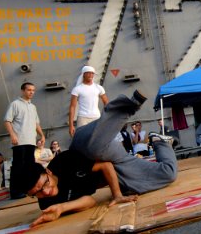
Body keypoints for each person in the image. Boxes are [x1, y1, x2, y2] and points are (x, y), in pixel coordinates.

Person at [21, 90, 177, 227]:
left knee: (93, 148)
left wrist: (117, 196)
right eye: (38, 193)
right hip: (109, 158)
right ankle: (160, 142)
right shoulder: (46, 203)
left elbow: (105, 165)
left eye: (44, 185)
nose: (46, 192)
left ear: (47, 171)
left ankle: (129, 106)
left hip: (85, 145)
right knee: (167, 175)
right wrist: (61, 208)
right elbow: (89, 201)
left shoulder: (65, 163)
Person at [4, 82, 46, 199]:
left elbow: (36, 123)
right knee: (18, 166)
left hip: (30, 141)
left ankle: (27, 189)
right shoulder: (15, 104)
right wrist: (12, 135)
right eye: (29, 90)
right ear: (23, 91)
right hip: (19, 141)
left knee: (29, 166)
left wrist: (41, 135)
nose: (31, 92)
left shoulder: (33, 107)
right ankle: (15, 192)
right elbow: (7, 120)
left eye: (33, 90)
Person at [69, 66, 109, 137]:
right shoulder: (77, 89)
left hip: (96, 117)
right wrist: (71, 125)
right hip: (83, 118)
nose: (91, 75)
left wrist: (105, 116)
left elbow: (106, 103)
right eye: (88, 73)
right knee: (82, 139)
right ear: (83, 74)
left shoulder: (99, 88)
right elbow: (72, 107)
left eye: (92, 73)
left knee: (97, 139)